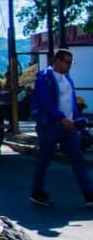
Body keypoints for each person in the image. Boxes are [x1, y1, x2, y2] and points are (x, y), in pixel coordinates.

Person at [29, 49, 93, 207]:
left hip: (68, 127)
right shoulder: (45, 78)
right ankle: (37, 193)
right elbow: (45, 102)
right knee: (44, 159)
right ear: (56, 61)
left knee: (77, 159)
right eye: (66, 62)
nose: (69, 66)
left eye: (71, 63)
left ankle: (89, 195)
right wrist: (60, 118)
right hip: (51, 126)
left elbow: (70, 102)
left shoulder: (67, 80)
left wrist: (76, 119)